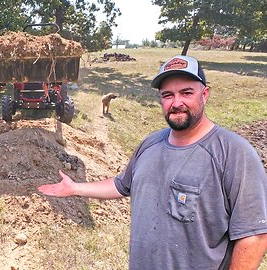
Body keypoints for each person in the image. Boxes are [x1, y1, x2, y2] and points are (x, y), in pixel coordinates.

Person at [38, 55, 267, 269]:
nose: (176, 102)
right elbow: (121, 185)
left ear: (205, 94)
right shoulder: (150, 144)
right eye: (168, 95)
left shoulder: (233, 153)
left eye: (186, 93)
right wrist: (75, 188)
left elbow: (254, 235)